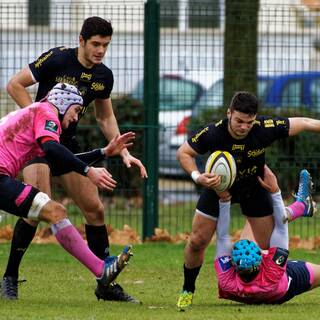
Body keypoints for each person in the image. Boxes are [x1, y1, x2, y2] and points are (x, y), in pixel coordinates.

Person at [3, 16, 147, 302]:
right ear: (81, 41)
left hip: (66, 147)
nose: (101, 50)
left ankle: (105, 283)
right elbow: (14, 85)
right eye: (96, 44)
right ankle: (9, 277)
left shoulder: (103, 75)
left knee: (95, 210)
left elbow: (105, 116)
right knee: (39, 208)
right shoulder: (57, 59)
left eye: (106, 45)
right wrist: (37, 120)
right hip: (40, 146)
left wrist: (122, 150)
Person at [176, 91, 318, 309]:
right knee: (197, 241)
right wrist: (198, 177)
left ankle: (257, 289)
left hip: (254, 187)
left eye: (249, 122)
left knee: (256, 250)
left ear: (256, 118)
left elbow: (305, 122)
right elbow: (183, 153)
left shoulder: (264, 128)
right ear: (229, 113)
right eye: (239, 121)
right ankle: (188, 289)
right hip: (217, 188)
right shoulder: (213, 133)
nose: (243, 127)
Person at [0, 83, 136, 300]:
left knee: (55, 212)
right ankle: (102, 271)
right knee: (56, 212)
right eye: (75, 111)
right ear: (63, 103)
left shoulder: (37, 113)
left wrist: (104, 152)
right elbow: (55, 150)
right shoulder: (47, 113)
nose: (75, 118)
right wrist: (88, 171)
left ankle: (101, 270)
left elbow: (59, 159)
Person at [214, 165, 320, 305]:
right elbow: (281, 227)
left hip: (263, 284)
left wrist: (224, 199)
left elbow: (222, 237)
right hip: (284, 284)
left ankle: (302, 206)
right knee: (261, 218)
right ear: (262, 260)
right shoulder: (271, 273)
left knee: (256, 220)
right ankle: (301, 206)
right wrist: (275, 191)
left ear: (234, 265)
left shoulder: (228, 282)